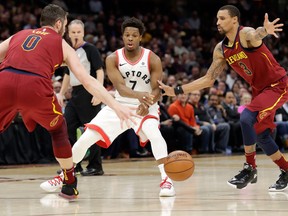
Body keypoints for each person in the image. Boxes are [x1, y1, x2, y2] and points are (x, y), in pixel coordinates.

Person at [0, 4, 136, 200]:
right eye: (65, 24)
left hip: (5, 79)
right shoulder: (62, 44)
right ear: (58, 24)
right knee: (58, 130)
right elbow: (87, 80)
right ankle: (69, 183)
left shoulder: (20, 35)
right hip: (35, 85)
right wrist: (115, 105)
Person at [158, 5, 288, 191]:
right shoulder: (221, 49)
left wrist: (265, 31)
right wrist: (176, 89)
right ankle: (286, 170)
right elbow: (209, 79)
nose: (217, 22)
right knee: (261, 135)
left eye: (222, 18)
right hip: (259, 91)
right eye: (217, 19)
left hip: (277, 85)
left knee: (246, 117)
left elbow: (256, 34)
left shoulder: (245, 35)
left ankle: (250, 167)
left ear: (234, 19)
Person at [42, 17, 175, 197]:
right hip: (118, 106)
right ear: (122, 36)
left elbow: (156, 89)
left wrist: (148, 102)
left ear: (140, 37)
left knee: (155, 134)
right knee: (86, 138)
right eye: (127, 35)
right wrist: (139, 98)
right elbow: (120, 87)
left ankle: (166, 180)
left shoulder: (153, 58)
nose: (130, 38)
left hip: (146, 106)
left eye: (134, 35)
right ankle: (65, 176)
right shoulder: (113, 58)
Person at [57, 19, 104, 176]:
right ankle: (73, 165)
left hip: (89, 92)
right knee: (66, 127)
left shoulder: (90, 49)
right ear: (68, 34)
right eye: (73, 32)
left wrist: (98, 93)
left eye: (78, 32)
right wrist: (61, 94)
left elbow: (99, 71)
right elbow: (67, 74)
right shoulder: (68, 50)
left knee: (92, 130)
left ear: (83, 33)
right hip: (75, 94)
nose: (76, 34)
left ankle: (96, 165)